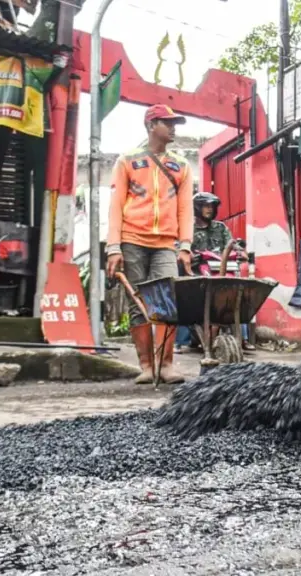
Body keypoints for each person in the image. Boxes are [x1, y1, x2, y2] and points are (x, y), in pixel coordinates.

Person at [106, 104, 194, 384]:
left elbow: (185, 209)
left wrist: (185, 245)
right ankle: (146, 366)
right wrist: (113, 247)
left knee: (167, 302)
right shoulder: (127, 161)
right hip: (131, 240)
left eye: (174, 123)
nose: (173, 128)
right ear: (151, 125)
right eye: (167, 123)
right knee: (138, 303)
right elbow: (115, 206)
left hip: (166, 244)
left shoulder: (181, 165)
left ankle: (166, 365)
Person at [189, 191, 255, 352]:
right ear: (197, 208)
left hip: (223, 269)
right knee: (186, 297)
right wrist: (189, 255)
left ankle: (243, 338)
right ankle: (183, 340)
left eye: (212, 206)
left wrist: (240, 251)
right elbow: (181, 248)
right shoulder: (189, 229)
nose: (209, 209)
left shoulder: (221, 228)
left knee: (237, 295)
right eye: (205, 206)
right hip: (198, 273)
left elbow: (232, 244)